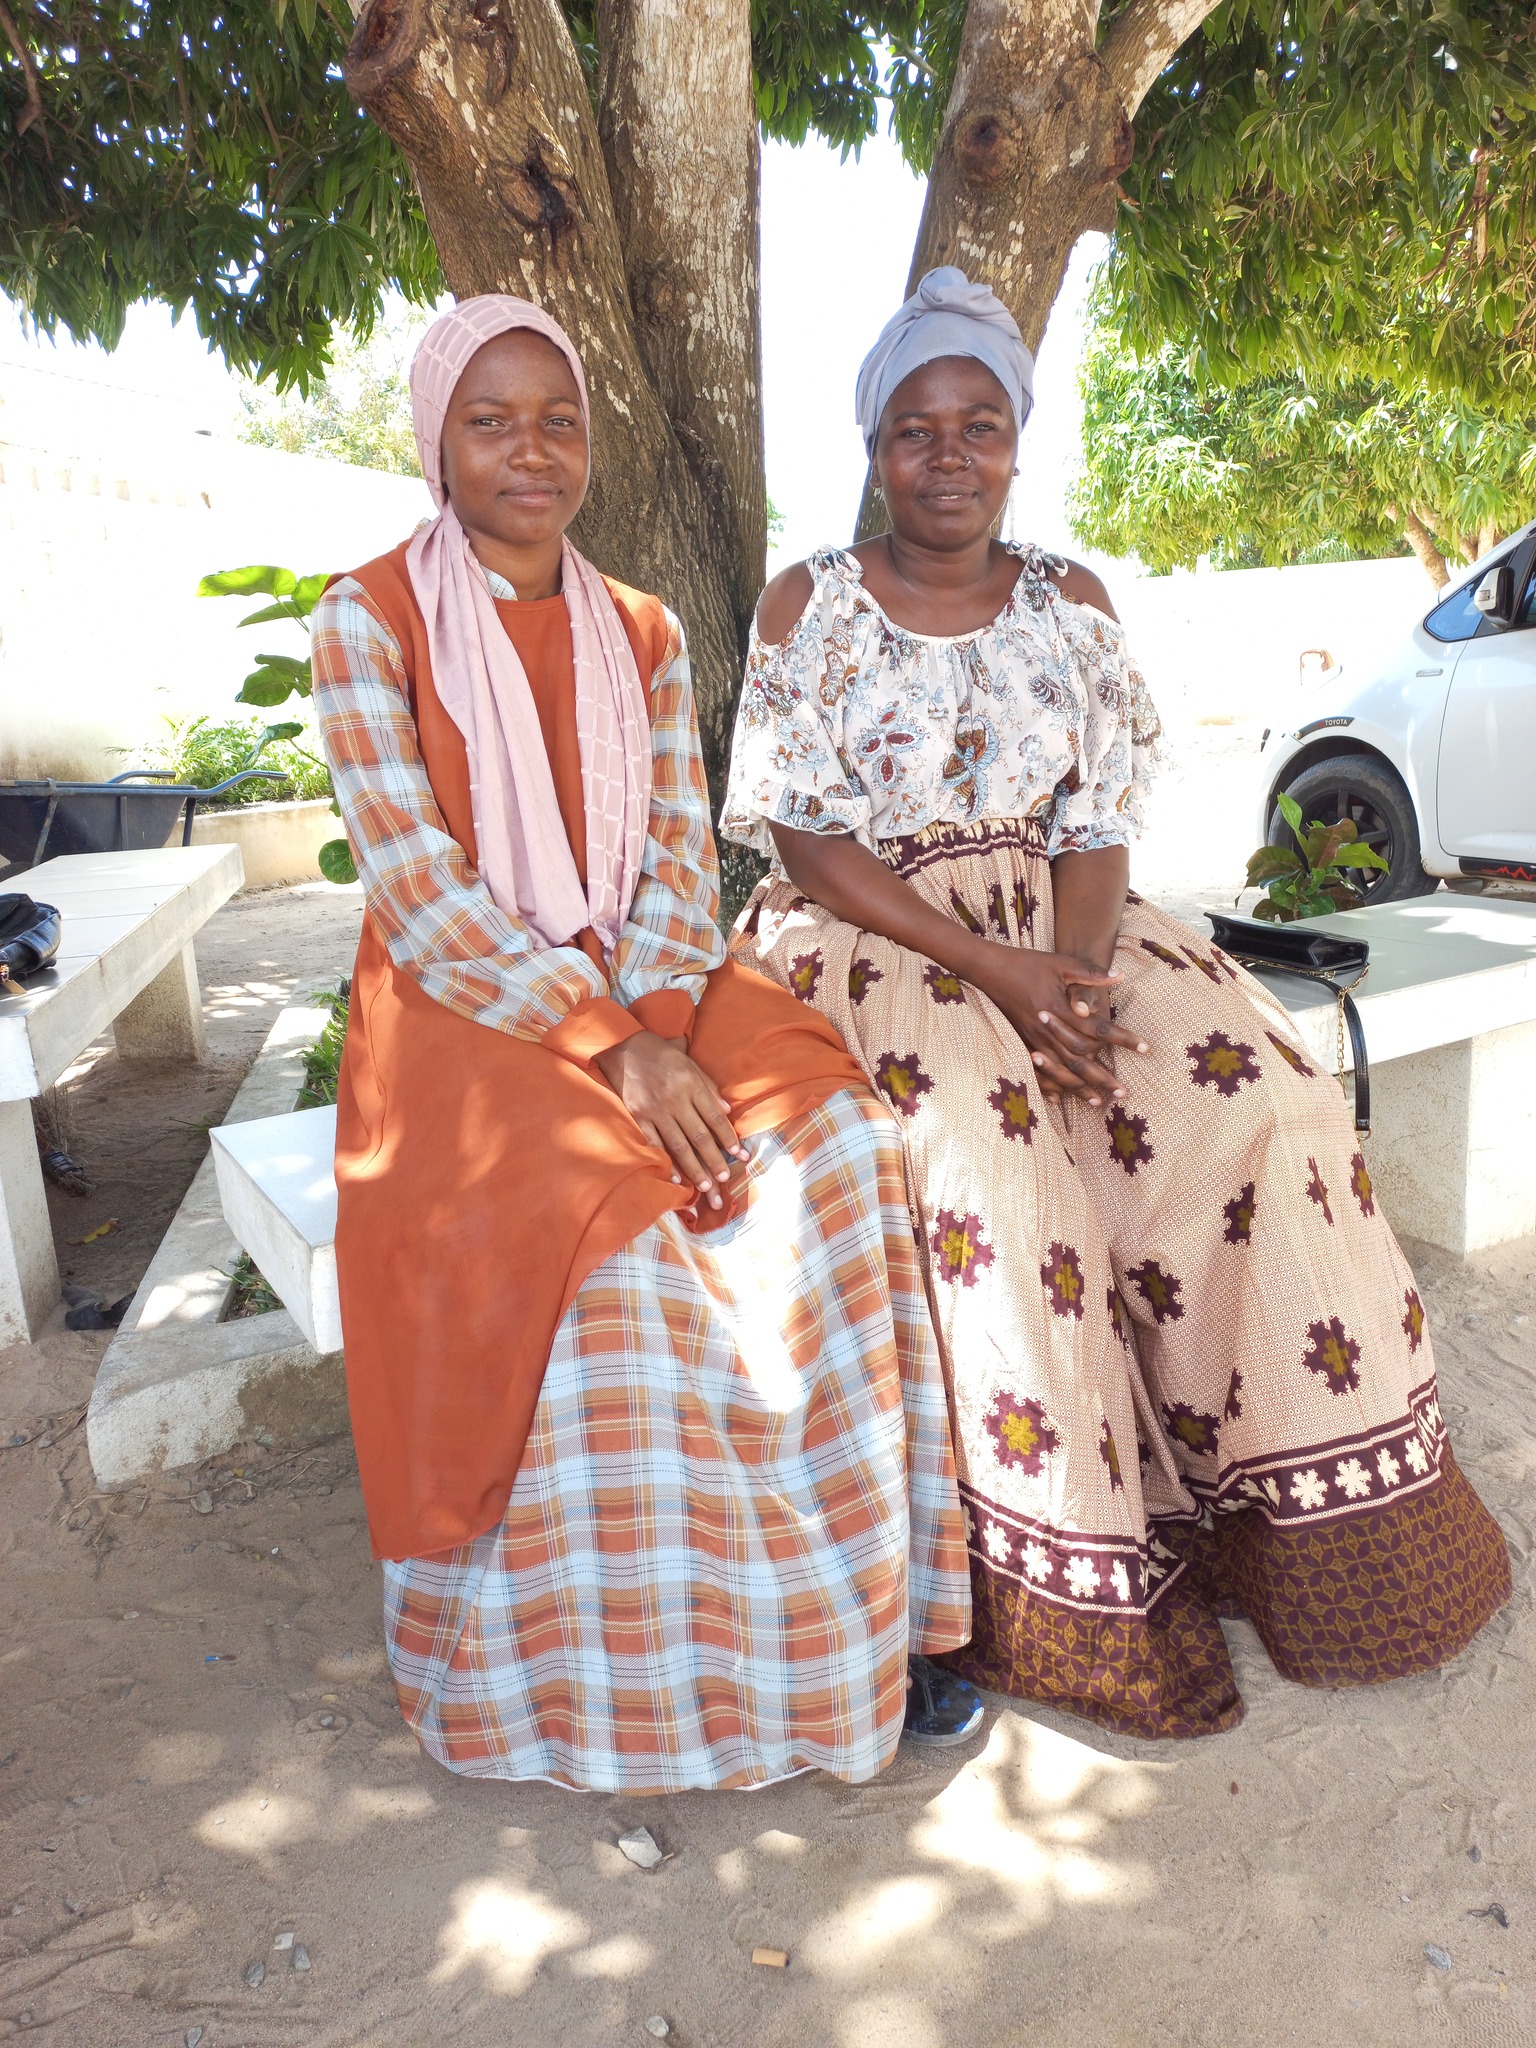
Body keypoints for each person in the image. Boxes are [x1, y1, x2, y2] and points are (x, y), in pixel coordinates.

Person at [721, 266, 1510, 1738]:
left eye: (977, 425)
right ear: (874, 452)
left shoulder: (1071, 603)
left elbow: (1096, 823)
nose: (947, 457)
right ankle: (1064, 1564)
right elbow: (804, 841)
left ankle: (1288, 1523)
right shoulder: (808, 606)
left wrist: (1074, 982)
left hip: (1065, 924)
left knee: (1254, 1100)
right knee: (991, 1161)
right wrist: (1003, 982)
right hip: (878, 935)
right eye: (913, 431)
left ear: (1017, 439)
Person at [309, 295, 976, 1792]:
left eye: (558, 420)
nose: (530, 452)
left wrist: (666, 1029)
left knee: (845, 1143)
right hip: (466, 1006)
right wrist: (617, 1051)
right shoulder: (367, 620)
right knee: (615, 1227)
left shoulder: (645, 629)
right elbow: (423, 897)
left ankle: (875, 1620)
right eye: (491, 421)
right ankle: (641, 1687)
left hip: (655, 977)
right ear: (436, 441)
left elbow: (681, 864)